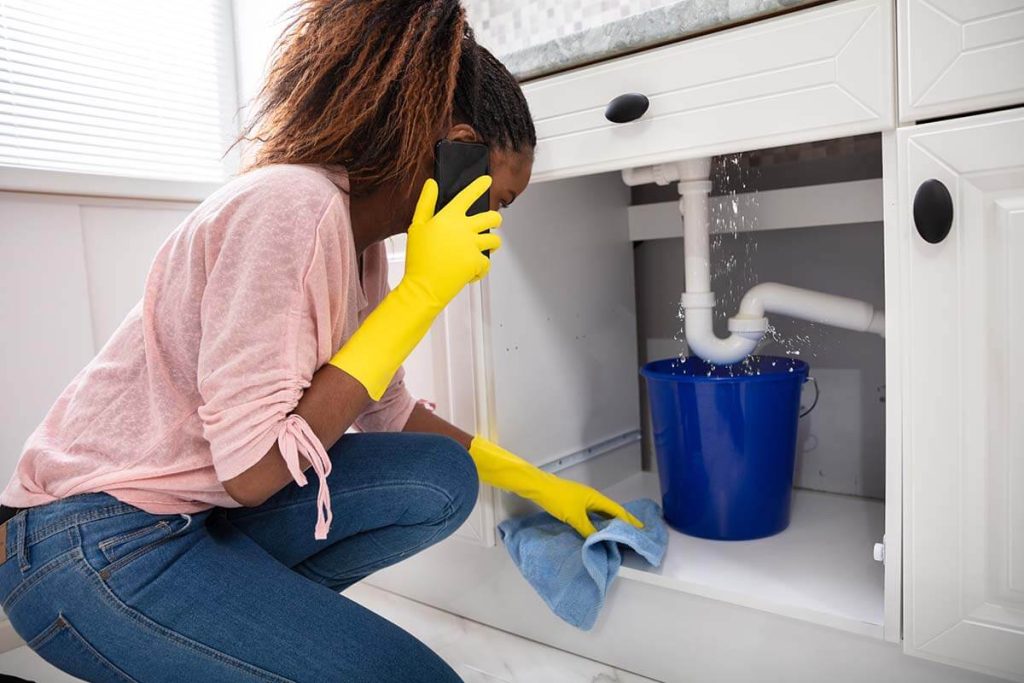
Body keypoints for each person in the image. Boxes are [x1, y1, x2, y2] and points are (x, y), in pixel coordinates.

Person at [0, 1, 640, 680]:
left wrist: (540, 484)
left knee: (439, 476)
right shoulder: (291, 207)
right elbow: (251, 474)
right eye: (496, 201)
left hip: (191, 522)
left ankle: (223, 641)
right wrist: (421, 295)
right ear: (457, 148)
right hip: (88, 545)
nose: (494, 224)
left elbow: (387, 411)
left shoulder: (358, 248)